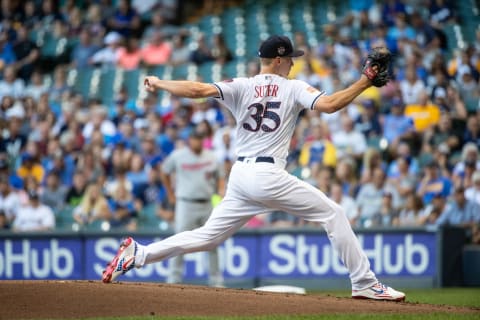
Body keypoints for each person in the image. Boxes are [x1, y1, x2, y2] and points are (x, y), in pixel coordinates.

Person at [102, 35, 405, 301]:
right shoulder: (293, 87)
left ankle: (139, 254)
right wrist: (365, 80)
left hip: (241, 176)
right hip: (267, 175)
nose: (292, 65)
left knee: (208, 237)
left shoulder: (241, 86)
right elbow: (331, 105)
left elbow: (196, 90)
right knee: (333, 213)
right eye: (289, 59)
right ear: (277, 60)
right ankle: (365, 283)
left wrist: (159, 82)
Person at [159, 130, 225, 287]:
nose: (197, 141)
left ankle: (216, 280)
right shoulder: (178, 155)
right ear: (190, 139)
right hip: (185, 204)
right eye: (195, 138)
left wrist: (221, 190)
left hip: (207, 203)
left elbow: (221, 176)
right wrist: (170, 193)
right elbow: (164, 172)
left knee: (212, 241)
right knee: (179, 241)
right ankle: (174, 278)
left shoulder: (212, 157)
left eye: (200, 138)